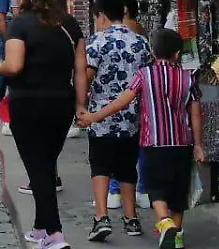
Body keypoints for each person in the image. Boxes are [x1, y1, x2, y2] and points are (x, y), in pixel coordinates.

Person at [78, 29, 205, 249]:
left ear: (153, 53)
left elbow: (121, 102)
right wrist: (199, 145)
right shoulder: (188, 78)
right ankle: (177, 235)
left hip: (153, 143)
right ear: (177, 54)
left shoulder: (143, 75)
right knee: (178, 190)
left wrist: (93, 117)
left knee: (155, 187)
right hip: (182, 144)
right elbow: (195, 113)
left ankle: (164, 223)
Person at [0, 0, 87, 249]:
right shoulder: (70, 24)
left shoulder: (20, 25)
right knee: (44, 164)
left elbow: (14, 66)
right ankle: (40, 228)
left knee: (38, 167)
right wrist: (81, 105)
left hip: (27, 102)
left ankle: (55, 233)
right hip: (62, 103)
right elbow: (80, 71)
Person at [82, 0, 152, 242]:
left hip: (101, 116)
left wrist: (81, 105)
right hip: (133, 117)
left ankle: (101, 217)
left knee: (100, 165)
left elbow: (87, 75)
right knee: (127, 168)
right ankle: (131, 218)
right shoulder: (141, 42)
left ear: (101, 16)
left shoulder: (97, 42)